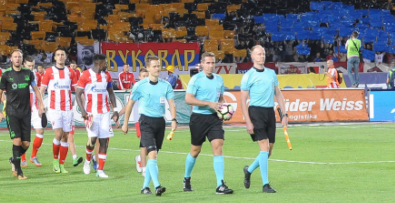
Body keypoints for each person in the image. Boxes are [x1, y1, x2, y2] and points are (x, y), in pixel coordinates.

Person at [122, 55, 177, 195]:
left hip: (160, 122)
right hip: (146, 121)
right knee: (152, 154)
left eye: (158, 66)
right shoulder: (140, 86)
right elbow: (130, 105)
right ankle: (157, 186)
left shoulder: (166, 85)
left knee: (154, 156)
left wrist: (174, 119)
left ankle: (145, 187)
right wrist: (125, 123)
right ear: (148, 68)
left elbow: (171, 104)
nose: (157, 68)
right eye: (154, 66)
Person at [183, 53, 233, 194]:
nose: (211, 65)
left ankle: (220, 184)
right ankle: (186, 178)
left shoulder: (219, 79)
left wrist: (224, 110)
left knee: (218, 147)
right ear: (202, 64)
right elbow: (188, 99)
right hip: (198, 118)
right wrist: (208, 103)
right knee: (195, 151)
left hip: (214, 118)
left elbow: (221, 98)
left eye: (213, 63)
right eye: (208, 63)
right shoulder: (196, 79)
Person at [240, 45, 288, 194]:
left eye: (263, 54)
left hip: (269, 112)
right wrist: (248, 121)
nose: (262, 56)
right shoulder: (248, 75)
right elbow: (242, 100)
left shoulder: (271, 73)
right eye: (259, 54)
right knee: (264, 147)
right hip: (255, 112)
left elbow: (278, 94)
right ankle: (265, 184)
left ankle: (249, 170)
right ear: (252, 57)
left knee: (269, 150)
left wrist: (284, 114)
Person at [0, 50, 44, 180]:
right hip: (12, 112)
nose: (17, 59)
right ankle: (19, 171)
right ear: (11, 59)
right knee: (17, 140)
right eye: (15, 57)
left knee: (26, 143)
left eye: (19, 57)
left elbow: (36, 90)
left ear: (22, 59)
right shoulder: (6, 74)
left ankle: (14, 160)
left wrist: (41, 105)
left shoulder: (28, 73)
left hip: (26, 112)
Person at [75, 54, 117, 179]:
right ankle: (88, 160)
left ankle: (100, 170)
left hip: (105, 113)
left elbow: (111, 93)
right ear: (98, 64)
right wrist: (82, 110)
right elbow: (78, 94)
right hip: (91, 113)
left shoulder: (107, 75)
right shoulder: (85, 75)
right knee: (92, 140)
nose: (107, 65)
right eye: (105, 63)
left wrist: (115, 110)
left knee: (104, 141)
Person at [40, 49, 81, 174]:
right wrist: (41, 105)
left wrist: (84, 106)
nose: (60, 57)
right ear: (55, 57)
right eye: (58, 55)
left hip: (67, 109)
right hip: (55, 108)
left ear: (66, 57)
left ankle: (62, 164)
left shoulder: (71, 72)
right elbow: (41, 90)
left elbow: (77, 90)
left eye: (62, 55)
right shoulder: (49, 72)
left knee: (65, 136)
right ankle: (55, 161)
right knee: (58, 134)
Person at [21, 58, 44, 167]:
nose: (31, 68)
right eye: (29, 66)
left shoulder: (36, 75)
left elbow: (39, 91)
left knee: (40, 131)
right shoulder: (18, 75)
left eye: (32, 66)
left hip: (34, 108)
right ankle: (23, 159)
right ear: (24, 64)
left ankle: (33, 156)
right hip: (22, 109)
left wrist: (41, 106)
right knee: (22, 135)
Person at [132, 67, 150, 175]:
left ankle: (139, 158)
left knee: (152, 146)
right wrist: (119, 114)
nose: (145, 78)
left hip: (150, 119)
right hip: (139, 120)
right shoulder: (137, 88)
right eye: (143, 76)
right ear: (139, 77)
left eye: (147, 76)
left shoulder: (151, 88)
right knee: (145, 144)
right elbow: (129, 104)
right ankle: (144, 168)